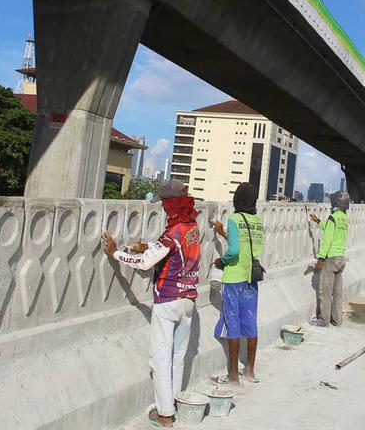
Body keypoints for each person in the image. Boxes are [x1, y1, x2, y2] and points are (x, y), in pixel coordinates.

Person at [101, 179, 201, 428]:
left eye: (165, 203)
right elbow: (171, 250)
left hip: (168, 301)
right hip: (188, 300)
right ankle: (174, 401)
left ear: (172, 203)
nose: (163, 208)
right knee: (178, 357)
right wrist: (145, 246)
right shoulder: (192, 226)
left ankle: (164, 414)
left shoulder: (173, 232)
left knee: (160, 359)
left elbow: (146, 263)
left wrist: (115, 252)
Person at [210, 182, 263, 385]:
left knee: (233, 323)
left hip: (234, 278)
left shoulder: (234, 219)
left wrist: (221, 261)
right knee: (250, 322)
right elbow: (246, 246)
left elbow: (234, 250)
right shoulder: (257, 221)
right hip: (251, 278)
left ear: (237, 200)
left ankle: (233, 375)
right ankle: (250, 370)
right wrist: (223, 233)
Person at [308, 189, 350, 327]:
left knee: (325, 291)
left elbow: (327, 239)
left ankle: (323, 320)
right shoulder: (344, 218)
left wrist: (320, 258)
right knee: (337, 292)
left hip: (331, 258)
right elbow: (331, 230)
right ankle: (337, 320)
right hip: (340, 258)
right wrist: (318, 221)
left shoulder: (333, 217)